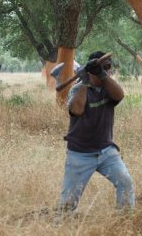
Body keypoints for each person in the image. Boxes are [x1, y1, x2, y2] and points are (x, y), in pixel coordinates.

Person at [56, 51, 135, 213]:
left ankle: (126, 220)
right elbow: (76, 110)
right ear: (91, 71)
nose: (108, 71)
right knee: (67, 203)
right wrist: (85, 82)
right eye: (104, 68)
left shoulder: (108, 87)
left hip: (106, 151)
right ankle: (61, 226)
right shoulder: (77, 89)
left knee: (125, 182)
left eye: (108, 68)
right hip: (80, 154)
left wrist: (102, 74)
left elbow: (120, 95)